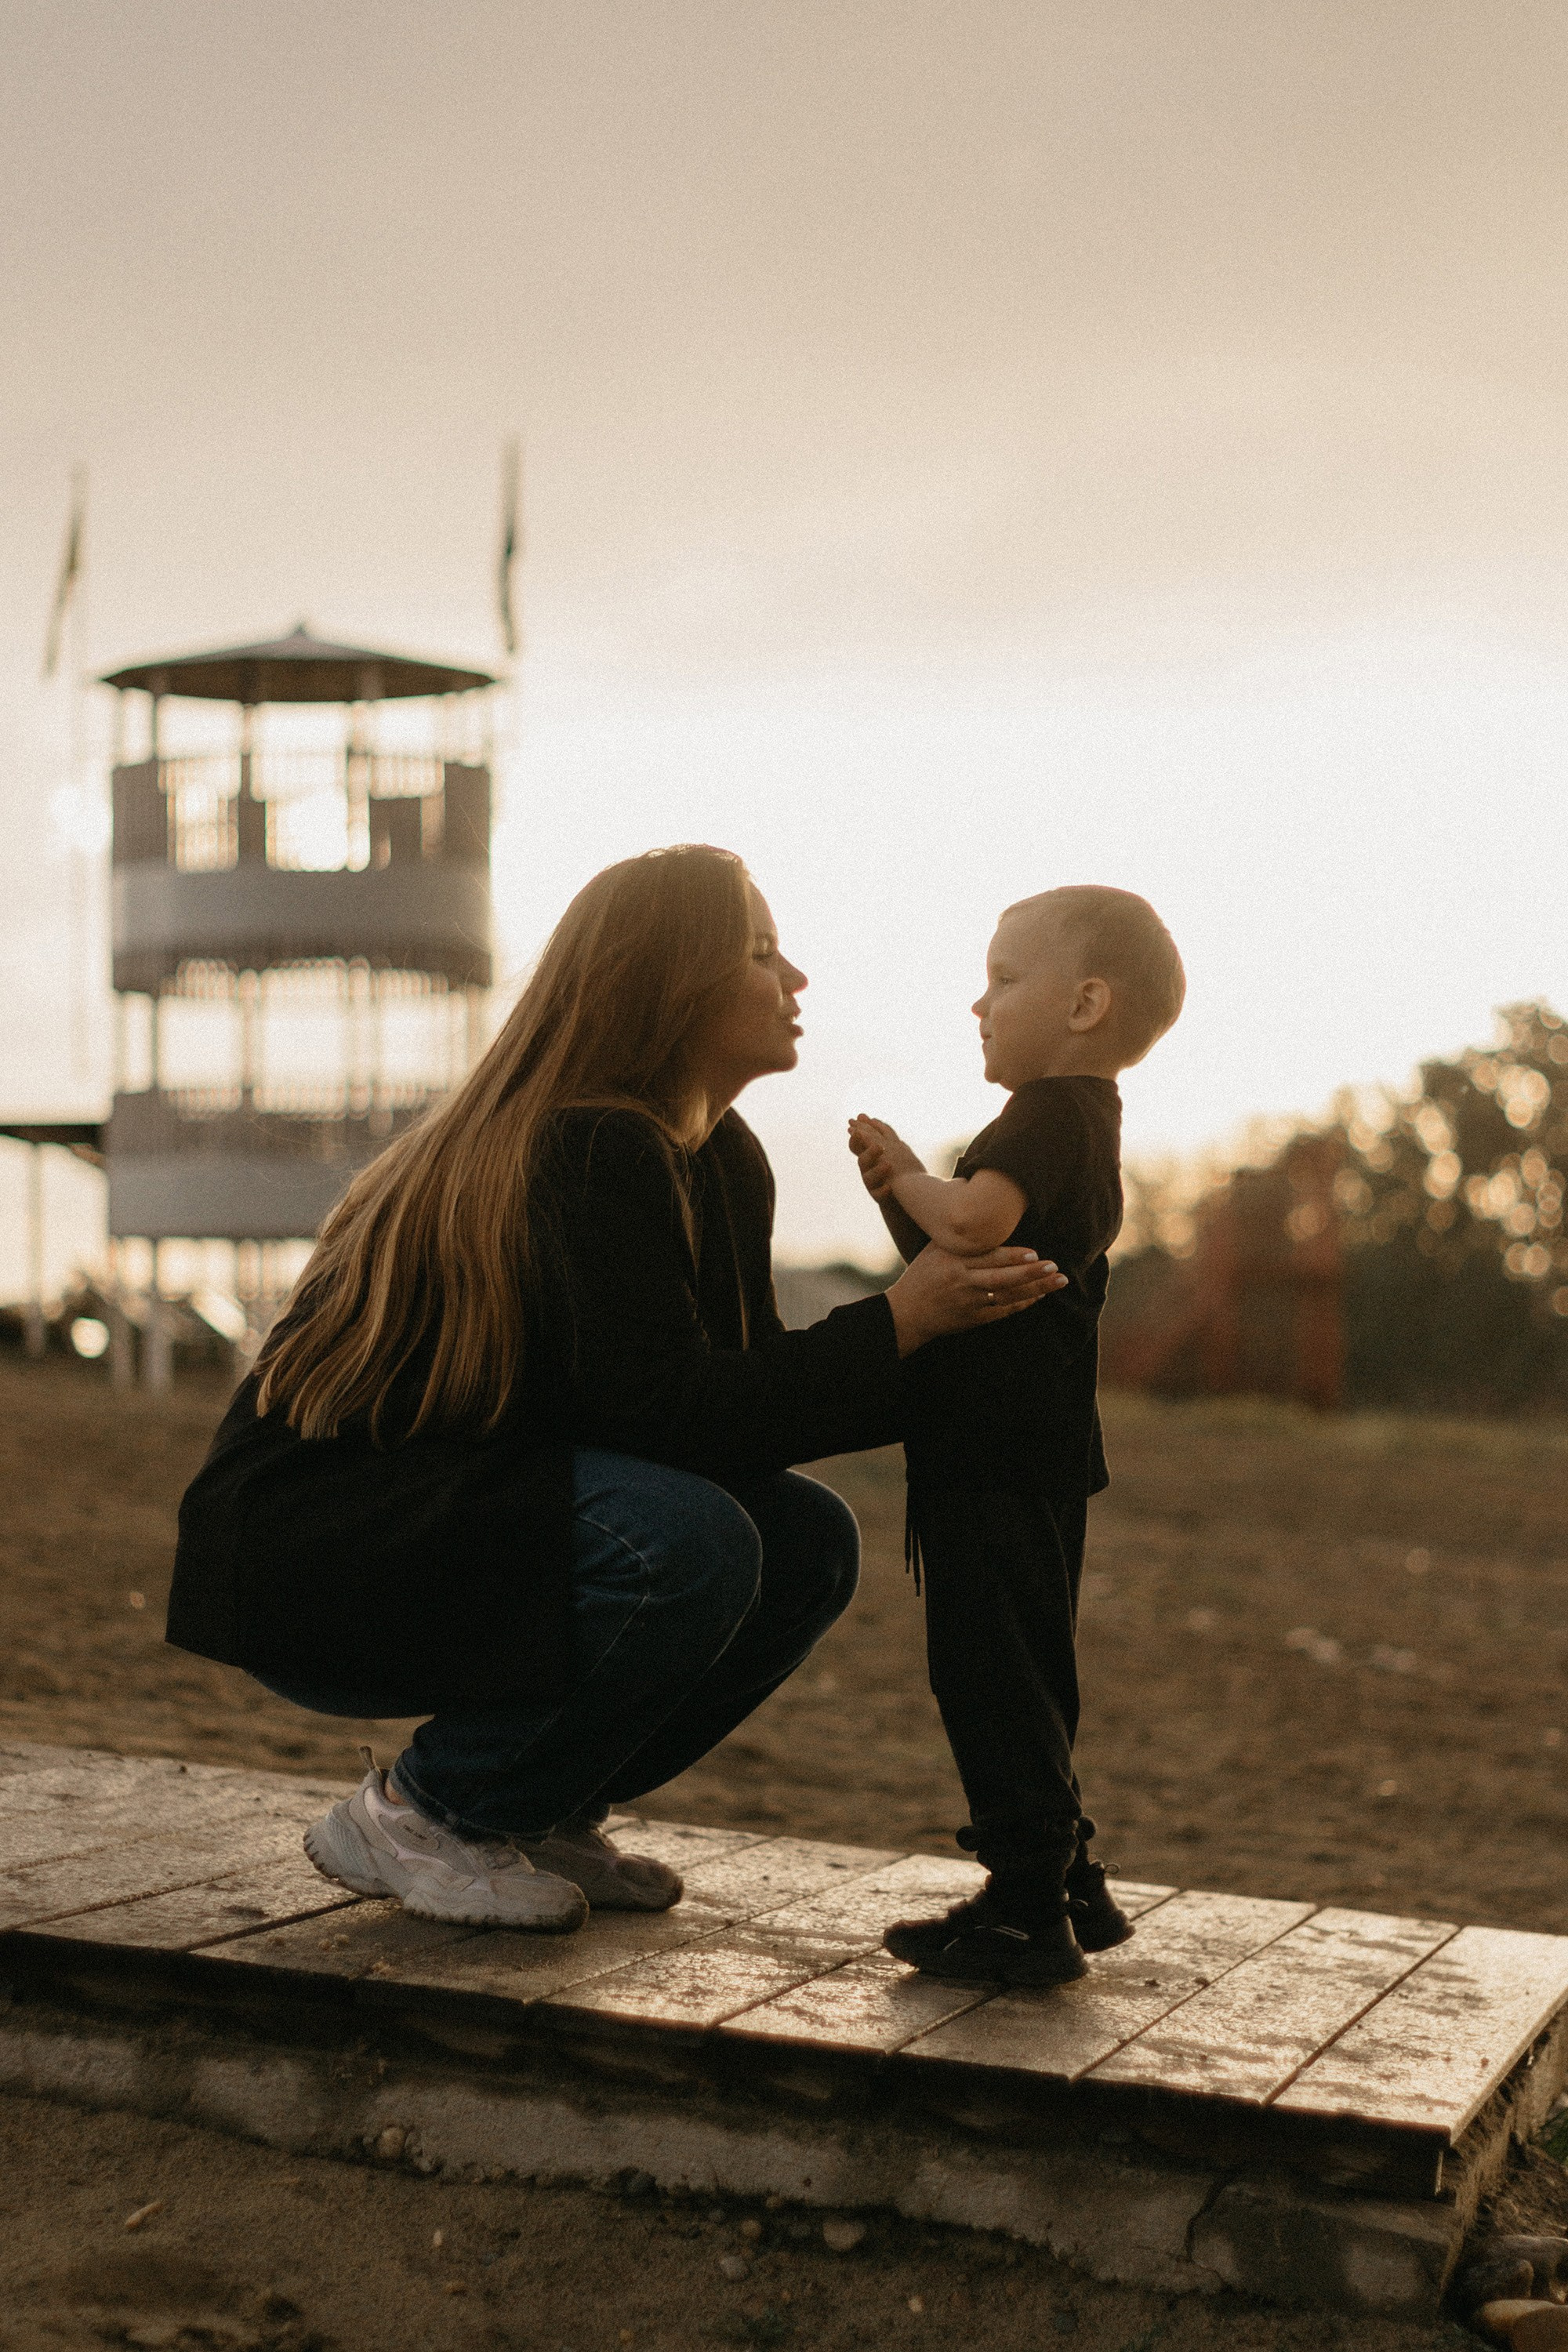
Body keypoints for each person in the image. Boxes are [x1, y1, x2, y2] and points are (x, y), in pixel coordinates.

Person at [167, 844, 1067, 1935]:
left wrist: (954, 1348)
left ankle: (535, 1807)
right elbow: (667, 1415)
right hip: (317, 1545)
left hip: (472, 1514)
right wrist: (901, 1321)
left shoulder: (718, 1156)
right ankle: (429, 1809)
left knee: (805, 1541)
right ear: (670, 980)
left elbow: (736, 1412)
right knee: (684, 1541)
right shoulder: (585, 1148)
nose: (797, 982)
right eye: (762, 952)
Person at [847, 884, 1185, 1987]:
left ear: (1086, 1002)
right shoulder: (1080, 1122)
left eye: (1003, 978)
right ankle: (1066, 1877)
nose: (978, 1003)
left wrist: (906, 1172)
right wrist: (909, 1201)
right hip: (1028, 1450)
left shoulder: (1045, 1115)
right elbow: (963, 1260)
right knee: (1027, 1666)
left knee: (988, 1671)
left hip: (996, 1454)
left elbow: (975, 1224)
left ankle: (1026, 1907)